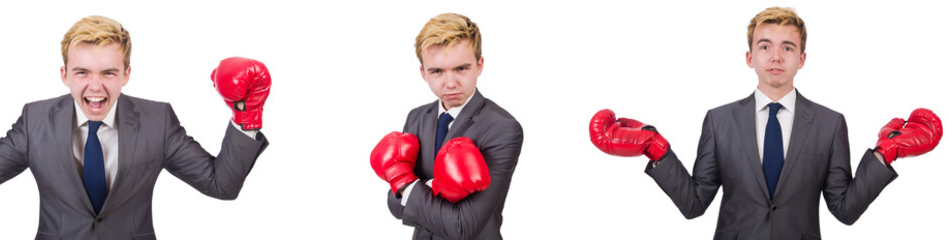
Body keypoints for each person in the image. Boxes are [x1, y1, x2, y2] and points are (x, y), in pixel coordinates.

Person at [588, 7, 942, 239]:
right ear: (749, 57)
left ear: (801, 59)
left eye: (787, 47)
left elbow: (845, 210)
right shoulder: (718, 120)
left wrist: (885, 153)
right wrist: (655, 149)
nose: (776, 56)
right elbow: (695, 204)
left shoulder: (830, 123)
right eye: (765, 46)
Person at [0, 15, 272, 239]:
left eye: (108, 72)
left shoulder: (157, 120)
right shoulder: (35, 119)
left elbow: (221, 186)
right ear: (64, 75)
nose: (95, 86)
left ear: (126, 75)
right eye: (82, 72)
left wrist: (246, 116)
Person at [369, 13, 524, 240]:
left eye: (461, 68)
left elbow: (462, 227)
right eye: (437, 71)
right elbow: (396, 207)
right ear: (423, 73)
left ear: (479, 65)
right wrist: (426, 193)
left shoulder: (502, 128)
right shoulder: (417, 118)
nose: (450, 83)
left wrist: (404, 182)